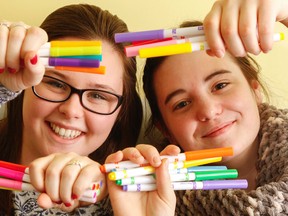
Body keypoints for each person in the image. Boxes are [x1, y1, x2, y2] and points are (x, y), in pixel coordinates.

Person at [109, 0, 288, 215]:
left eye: (220, 85)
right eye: (182, 104)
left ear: (255, 89)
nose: (209, 111)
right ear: (166, 130)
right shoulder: (153, 202)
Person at [0, 4, 143, 215]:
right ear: (24, 83)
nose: (71, 110)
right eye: (56, 84)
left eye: (97, 95)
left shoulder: (129, 201)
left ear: (121, 113)